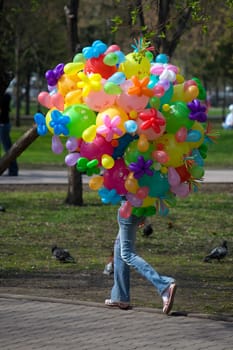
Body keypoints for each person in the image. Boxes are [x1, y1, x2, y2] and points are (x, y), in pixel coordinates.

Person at [105, 200, 177, 314]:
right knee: (119, 247)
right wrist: (143, 213)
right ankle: (120, 297)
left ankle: (164, 285)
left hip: (127, 208)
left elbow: (121, 187)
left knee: (127, 254)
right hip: (139, 207)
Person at [0, 91, 18, 176]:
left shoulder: (6, 96)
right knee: (7, 147)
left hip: (3, 125)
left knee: (7, 148)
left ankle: (13, 169)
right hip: (3, 125)